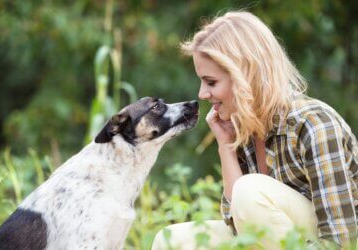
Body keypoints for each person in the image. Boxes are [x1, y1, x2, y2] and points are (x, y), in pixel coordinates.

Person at [151, 11, 357, 249]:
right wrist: (226, 146)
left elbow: (342, 240)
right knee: (171, 240)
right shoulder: (242, 125)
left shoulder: (314, 125)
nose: (202, 94)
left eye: (211, 82)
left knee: (249, 190)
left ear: (245, 77)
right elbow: (236, 225)